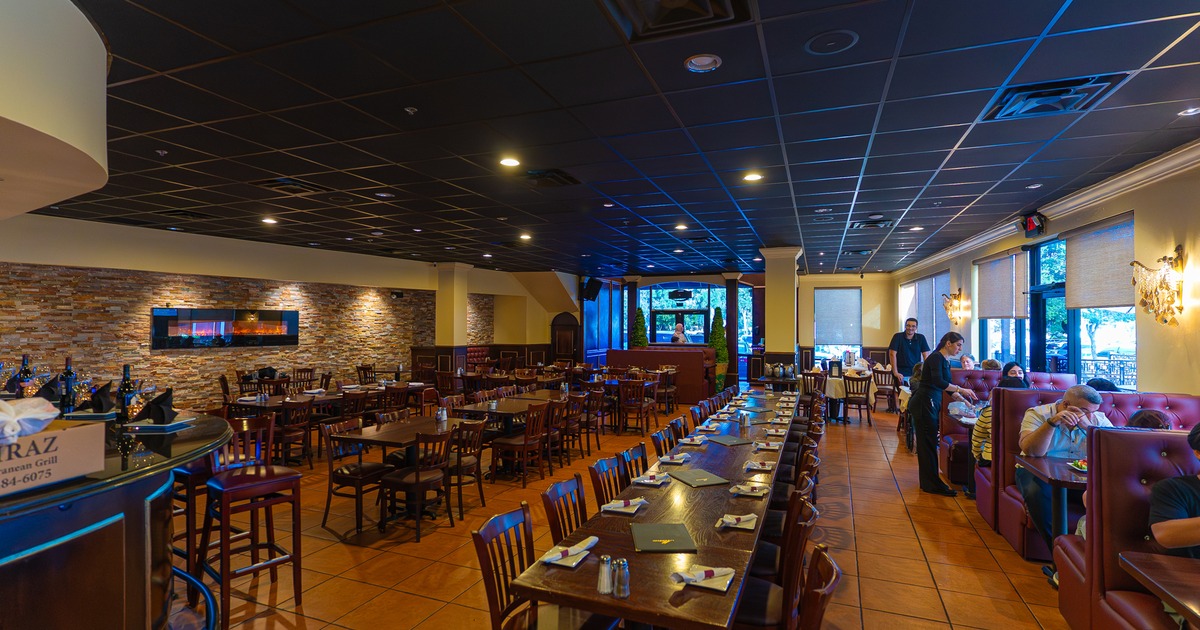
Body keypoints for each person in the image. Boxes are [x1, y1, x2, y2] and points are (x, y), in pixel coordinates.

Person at [1017, 384, 1113, 560]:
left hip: (1080, 478)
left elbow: (1113, 452)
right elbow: (1032, 452)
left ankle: (1098, 558)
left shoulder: (1097, 420)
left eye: (1094, 411)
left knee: (1112, 494)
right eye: (1085, 410)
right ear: (1067, 404)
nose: (1091, 416)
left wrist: (1089, 428)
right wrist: (1052, 423)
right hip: (1038, 473)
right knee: (1035, 491)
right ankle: (1060, 557)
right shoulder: (1038, 414)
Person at [909, 331, 977, 497]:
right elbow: (939, 382)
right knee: (928, 445)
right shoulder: (935, 358)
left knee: (930, 444)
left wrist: (965, 401)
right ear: (948, 343)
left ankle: (930, 483)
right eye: (958, 345)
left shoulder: (944, 360)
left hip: (930, 402)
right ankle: (931, 484)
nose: (960, 349)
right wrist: (962, 389)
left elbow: (945, 388)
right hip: (924, 403)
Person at [888, 318, 930, 383]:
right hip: (901, 372)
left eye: (913, 326)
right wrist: (895, 372)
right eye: (908, 325)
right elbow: (892, 354)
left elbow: (926, 356)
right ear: (905, 326)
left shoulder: (921, 338)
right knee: (902, 392)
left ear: (916, 328)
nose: (910, 328)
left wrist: (926, 372)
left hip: (916, 373)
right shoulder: (897, 337)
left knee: (917, 392)